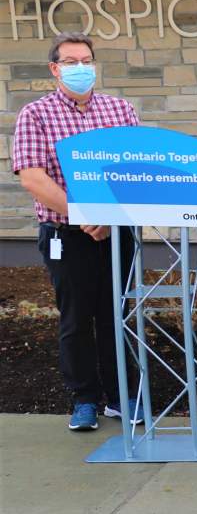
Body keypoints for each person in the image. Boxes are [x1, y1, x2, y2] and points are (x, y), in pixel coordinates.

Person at [11, 32, 138, 432]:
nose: (81, 68)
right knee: (77, 318)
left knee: (118, 314)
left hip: (116, 233)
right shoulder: (36, 115)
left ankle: (123, 397)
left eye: (86, 60)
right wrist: (84, 213)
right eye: (71, 62)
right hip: (65, 234)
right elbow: (33, 177)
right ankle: (84, 399)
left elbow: (135, 169)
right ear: (54, 68)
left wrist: (110, 216)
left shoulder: (121, 110)